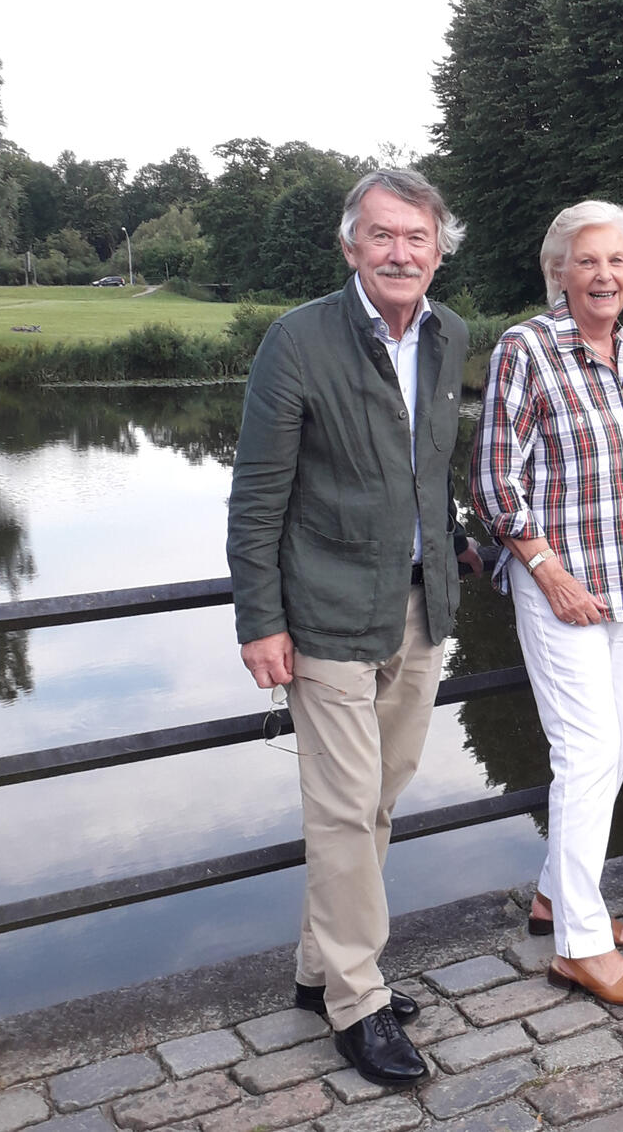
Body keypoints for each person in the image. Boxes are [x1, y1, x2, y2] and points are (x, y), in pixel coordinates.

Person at [226, 168, 482, 1087]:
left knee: (378, 800)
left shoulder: (451, 335)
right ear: (350, 246)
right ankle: (358, 1003)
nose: (400, 253)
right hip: (327, 613)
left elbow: (431, 471)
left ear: (439, 251)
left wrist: (457, 543)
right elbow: (257, 496)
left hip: (421, 606)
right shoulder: (298, 340)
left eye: (417, 238)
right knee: (341, 809)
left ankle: (319, 971)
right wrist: (260, 619)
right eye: (382, 235)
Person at [471, 200, 623, 1008]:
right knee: (586, 753)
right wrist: (546, 569)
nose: (603, 275)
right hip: (562, 585)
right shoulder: (526, 347)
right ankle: (580, 946)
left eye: (617, 261)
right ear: (559, 272)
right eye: (587, 260)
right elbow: (494, 480)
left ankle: (557, 895)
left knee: (613, 750)